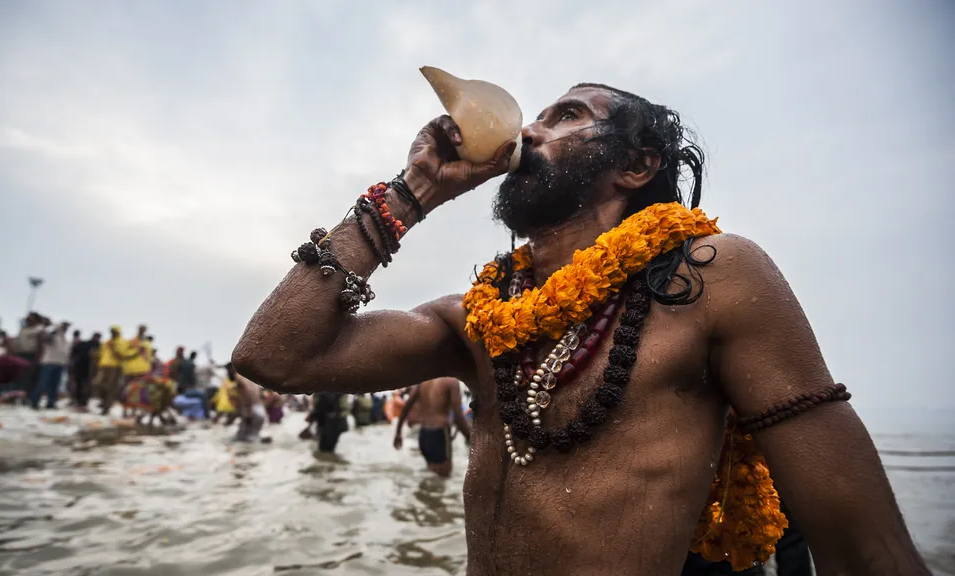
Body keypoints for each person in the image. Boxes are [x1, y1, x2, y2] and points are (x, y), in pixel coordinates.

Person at [232, 83, 929, 576]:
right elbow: (275, 358)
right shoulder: (479, 318)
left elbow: (867, 552)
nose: (528, 131)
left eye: (567, 115)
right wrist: (413, 193)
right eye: (532, 118)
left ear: (636, 165)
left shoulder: (715, 278)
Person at [393, 378, 471, 478]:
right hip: (439, 434)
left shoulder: (424, 381)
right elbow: (458, 414)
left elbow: (406, 407)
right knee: (443, 480)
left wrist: (398, 433)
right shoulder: (451, 381)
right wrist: (470, 439)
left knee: (432, 477)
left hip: (424, 434)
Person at [31, 321, 71, 409]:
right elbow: (43, 336)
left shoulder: (64, 339)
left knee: (54, 385)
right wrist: (53, 329)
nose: (66, 329)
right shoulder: (52, 336)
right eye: (64, 327)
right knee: (43, 383)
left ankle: (51, 403)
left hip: (60, 363)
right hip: (49, 363)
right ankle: (35, 401)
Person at [93, 326, 126, 415]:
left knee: (111, 388)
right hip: (103, 366)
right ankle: (103, 402)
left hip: (115, 367)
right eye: (111, 332)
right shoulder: (106, 342)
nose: (112, 334)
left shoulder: (122, 342)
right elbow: (101, 354)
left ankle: (106, 407)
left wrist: (113, 348)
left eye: (114, 332)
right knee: (98, 384)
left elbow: (122, 356)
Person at [69, 331, 101, 411]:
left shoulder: (99, 346)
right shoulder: (84, 344)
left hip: (90, 369)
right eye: (96, 337)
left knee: (86, 386)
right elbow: (73, 353)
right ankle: (78, 402)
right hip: (80, 367)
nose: (97, 339)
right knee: (79, 385)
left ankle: (83, 402)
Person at [232, 368, 266, 442]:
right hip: (260, 408)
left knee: (244, 437)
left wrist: (248, 408)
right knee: (253, 435)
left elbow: (247, 390)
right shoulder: (252, 377)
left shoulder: (238, 376)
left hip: (250, 408)